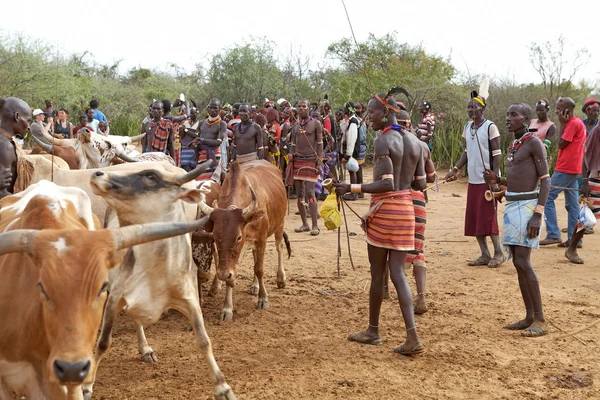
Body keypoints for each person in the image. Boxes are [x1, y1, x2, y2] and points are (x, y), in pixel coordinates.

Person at [334, 89, 425, 355]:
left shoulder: (383, 141)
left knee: (378, 274)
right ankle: (411, 337)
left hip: (387, 212)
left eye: (372, 113)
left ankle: (373, 331)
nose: (368, 118)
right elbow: (420, 183)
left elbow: (386, 185)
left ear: (386, 112)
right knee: (398, 274)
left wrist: (351, 187)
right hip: (407, 210)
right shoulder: (415, 142)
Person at [484, 103, 550, 337]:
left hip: (527, 207)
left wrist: (538, 213)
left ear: (526, 119)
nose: (508, 118)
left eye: (514, 114)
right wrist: (498, 179)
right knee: (517, 262)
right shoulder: (514, 144)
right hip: (513, 205)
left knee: (523, 261)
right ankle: (529, 316)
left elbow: (545, 180)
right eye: (507, 113)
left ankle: (541, 319)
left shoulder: (534, 143)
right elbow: (519, 178)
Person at [444, 91, 504, 268]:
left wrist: (494, 178)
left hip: (487, 180)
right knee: (475, 216)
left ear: (482, 108)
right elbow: (467, 152)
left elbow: (497, 154)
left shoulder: (490, 127)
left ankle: (499, 253)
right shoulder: (468, 127)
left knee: (489, 217)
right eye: (469, 107)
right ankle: (485, 254)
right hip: (474, 180)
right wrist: (455, 169)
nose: (471, 110)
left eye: (475, 106)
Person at [396, 110, 436, 314]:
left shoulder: (390, 143)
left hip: (399, 202)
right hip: (419, 201)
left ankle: (399, 296)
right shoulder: (422, 146)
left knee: (396, 249)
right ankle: (421, 297)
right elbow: (431, 177)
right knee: (417, 249)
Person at [539, 97, 586, 248]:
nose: (557, 112)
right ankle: (575, 239)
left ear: (568, 110)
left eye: (559, 109)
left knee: (547, 197)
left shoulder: (572, 124)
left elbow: (560, 143)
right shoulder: (577, 122)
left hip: (566, 168)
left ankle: (553, 234)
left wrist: (561, 123)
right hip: (573, 168)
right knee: (573, 205)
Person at [563, 111, 600, 264]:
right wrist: (584, 182)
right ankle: (571, 248)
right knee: (587, 218)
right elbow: (586, 155)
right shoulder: (598, 130)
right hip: (596, 177)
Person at [289, 99, 323, 236]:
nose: (301, 109)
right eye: (299, 107)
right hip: (297, 161)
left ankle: (315, 225)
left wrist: (319, 162)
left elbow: (319, 144)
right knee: (299, 194)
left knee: (310, 192)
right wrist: (291, 154)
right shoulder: (296, 126)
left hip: (311, 160)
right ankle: (304, 224)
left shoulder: (316, 124)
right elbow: (293, 143)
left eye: (304, 106)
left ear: (309, 108)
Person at [0, 97, 31, 199]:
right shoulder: (5, 146)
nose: (29, 126)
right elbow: (2, 194)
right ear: (17, 117)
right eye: (28, 120)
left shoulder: (6, 142)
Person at [192, 99, 227, 181]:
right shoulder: (202, 123)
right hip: (201, 155)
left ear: (220, 108)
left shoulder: (222, 124)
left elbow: (218, 142)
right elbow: (197, 137)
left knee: (213, 183)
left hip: (214, 156)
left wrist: (201, 140)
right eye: (211, 107)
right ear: (207, 108)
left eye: (215, 108)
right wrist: (194, 144)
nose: (212, 110)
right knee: (198, 181)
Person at [341, 102, 363, 201]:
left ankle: (353, 193)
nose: (344, 111)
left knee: (352, 170)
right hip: (351, 149)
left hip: (352, 150)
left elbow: (351, 138)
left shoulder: (353, 121)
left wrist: (348, 154)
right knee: (352, 170)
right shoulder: (351, 120)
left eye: (345, 109)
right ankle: (355, 191)